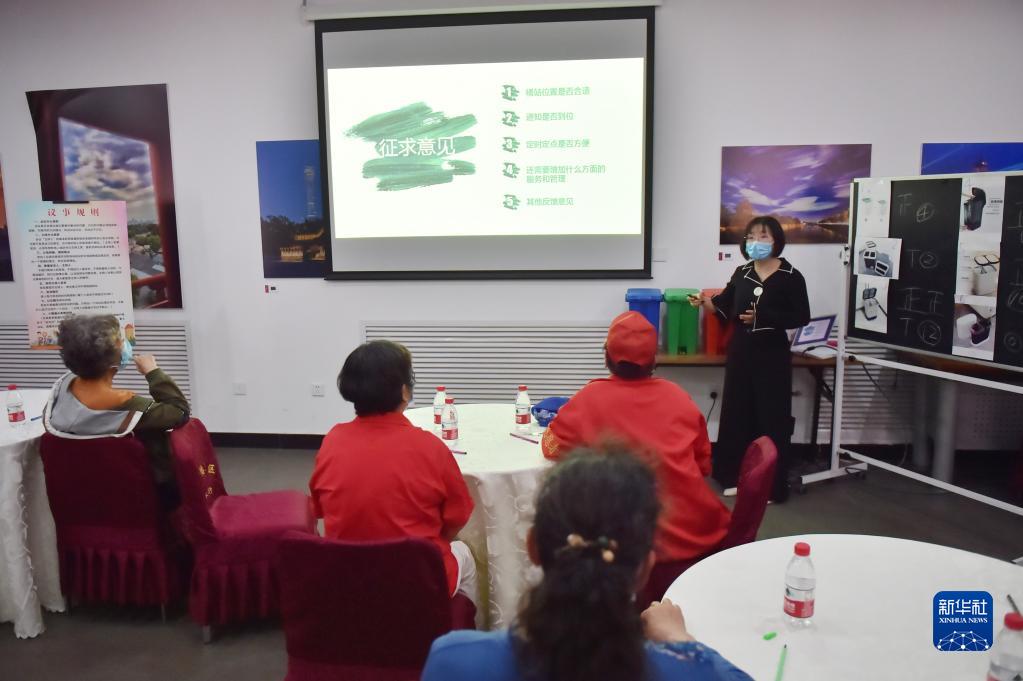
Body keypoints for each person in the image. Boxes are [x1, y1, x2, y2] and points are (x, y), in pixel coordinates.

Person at [421, 447, 753, 681]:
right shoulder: (692, 672)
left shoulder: (452, 661)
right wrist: (680, 639)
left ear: (533, 546)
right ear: (646, 566)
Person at [541, 311, 730, 567]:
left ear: (607, 356)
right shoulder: (678, 396)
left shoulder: (588, 399)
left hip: (631, 545)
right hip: (700, 536)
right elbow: (703, 464)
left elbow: (551, 447)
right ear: (653, 359)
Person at [309, 340, 477, 605]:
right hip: (416, 581)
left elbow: (320, 508)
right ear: (405, 391)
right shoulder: (430, 447)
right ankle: (459, 626)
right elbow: (457, 518)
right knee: (465, 553)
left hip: (348, 577)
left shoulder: (332, 441)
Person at [690, 216, 810, 502]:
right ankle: (732, 477)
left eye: (763, 236)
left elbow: (801, 316)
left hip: (772, 353)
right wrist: (704, 302)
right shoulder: (742, 272)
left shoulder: (791, 276)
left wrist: (764, 316)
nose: (756, 242)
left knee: (772, 417)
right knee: (737, 412)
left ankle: (771, 486)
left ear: (776, 240)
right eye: (751, 237)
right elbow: (724, 306)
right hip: (742, 351)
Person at [43, 314, 191, 508]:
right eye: (121, 340)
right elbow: (180, 412)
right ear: (109, 358)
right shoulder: (126, 406)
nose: (125, 343)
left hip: (78, 494)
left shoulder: (62, 387)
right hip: (136, 493)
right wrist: (153, 372)